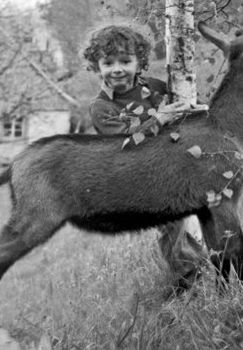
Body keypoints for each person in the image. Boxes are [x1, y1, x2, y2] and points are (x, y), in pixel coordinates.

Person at [81, 21, 207, 291]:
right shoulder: (101, 107)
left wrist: (196, 108)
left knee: (198, 216)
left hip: (175, 163)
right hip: (140, 175)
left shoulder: (154, 86)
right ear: (96, 66)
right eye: (108, 62)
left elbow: (181, 105)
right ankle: (189, 281)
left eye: (125, 60)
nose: (117, 69)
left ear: (139, 62)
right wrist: (158, 120)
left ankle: (210, 265)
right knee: (171, 223)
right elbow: (126, 142)